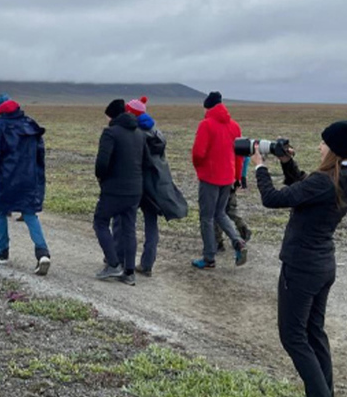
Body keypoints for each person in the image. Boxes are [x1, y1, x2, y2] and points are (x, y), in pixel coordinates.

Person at [254, 119, 347, 397]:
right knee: (314, 332)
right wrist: (288, 164)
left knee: (292, 336)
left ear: (333, 149)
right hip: (321, 265)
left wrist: (259, 166)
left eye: (323, 143)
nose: (319, 146)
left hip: (302, 267)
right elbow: (305, 187)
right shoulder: (346, 177)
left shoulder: (326, 181)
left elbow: (273, 199)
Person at [0, 93, 51, 276]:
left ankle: (2, 251)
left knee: (0, 210)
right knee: (30, 213)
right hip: (29, 177)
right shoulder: (29, 124)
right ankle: (42, 253)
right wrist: (38, 176)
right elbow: (40, 153)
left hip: (8, 178)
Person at [122, 96, 188, 277]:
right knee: (151, 225)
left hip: (137, 184)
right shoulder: (157, 133)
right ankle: (147, 263)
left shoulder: (137, 134)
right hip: (155, 186)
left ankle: (120, 257)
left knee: (126, 221)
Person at [191, 91, 248, 269]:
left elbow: (198, 153)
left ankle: (209, 258)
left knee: (207, 217)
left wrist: (200, 168)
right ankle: (238, 241)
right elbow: (240, 156)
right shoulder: (235, 126)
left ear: (208, 107)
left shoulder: (206, 125)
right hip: (228, 177)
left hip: (210, 177)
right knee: (220, 213)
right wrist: (237, 177)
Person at [94, 99, 148, 285]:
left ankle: (113, 264)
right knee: (129, 229)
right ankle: (129, 272)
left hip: (114, 189)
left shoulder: (110, 133)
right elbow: (146, 162)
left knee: (100, 222)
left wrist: (102, 179)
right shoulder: (140, 134)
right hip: (135, 190)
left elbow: (102, 164)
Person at [215, 155, 252, 251]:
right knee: (230, 210)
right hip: (232, 180)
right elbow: (245, 158)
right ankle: (243, 229)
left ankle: (218, 241)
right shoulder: (239, 144)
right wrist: (241, 177)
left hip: (222, 179)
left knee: (217, 211)